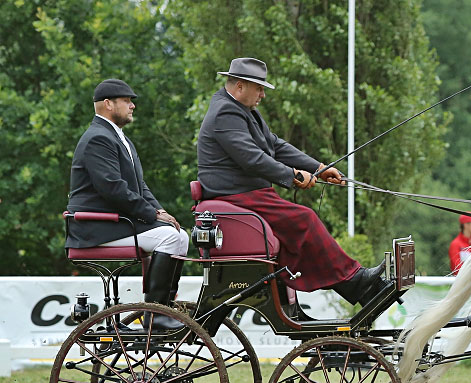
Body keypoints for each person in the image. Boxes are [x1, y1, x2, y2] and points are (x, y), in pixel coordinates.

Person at [196, 57, 387, 306]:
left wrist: (318, 168)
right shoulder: (225, 112)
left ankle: (354, 285)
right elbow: (252, 159)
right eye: (259, 88)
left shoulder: (244, 111)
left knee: (300, 226)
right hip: (233, 195)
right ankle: (356, 281)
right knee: (304, 219)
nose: (263, 94)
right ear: (240, 85)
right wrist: (293, 176)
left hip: (249, 194)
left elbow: (274, 145)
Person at [66, 79, 189, 330]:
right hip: (95, 226)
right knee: (168, 238)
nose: (132, 106)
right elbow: (113, 189)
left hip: (115, 222)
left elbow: (139, 186)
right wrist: (150, 214)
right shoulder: (97, 139)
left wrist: (159, 211)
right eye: (126, 100)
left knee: (180, 236)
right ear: (108, 104)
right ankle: (155, 316)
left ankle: (163, 306)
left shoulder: (118, 137)